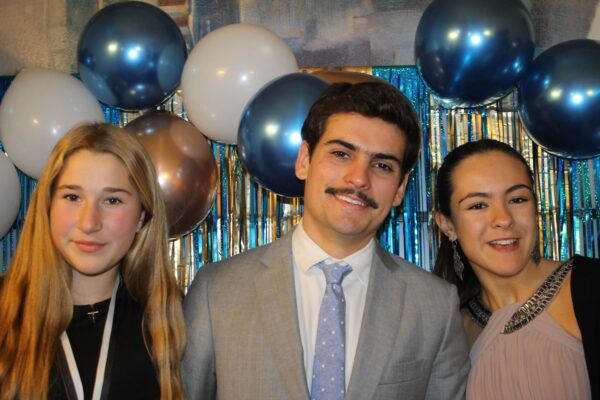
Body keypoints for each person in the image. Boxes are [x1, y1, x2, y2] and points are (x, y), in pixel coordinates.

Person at [183, 82, 469, 400]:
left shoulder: (435, 308)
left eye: (382, 166)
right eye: (341, 154)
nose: (358, 179)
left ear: (400, 188)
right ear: (304, 160)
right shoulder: (217, 291)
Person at [0, 123, 185, 399]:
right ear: (48, 206)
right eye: (72, 197)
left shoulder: (173, 321)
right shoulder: (4, 308)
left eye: (112, 200)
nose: (89, 223)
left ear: (141, 217)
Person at [434, 139, 599, 399]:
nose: (504, 219)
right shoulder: (449, 333)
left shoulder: (592, 287)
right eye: (478, 205)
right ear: (447, 225)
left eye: (517, 199)